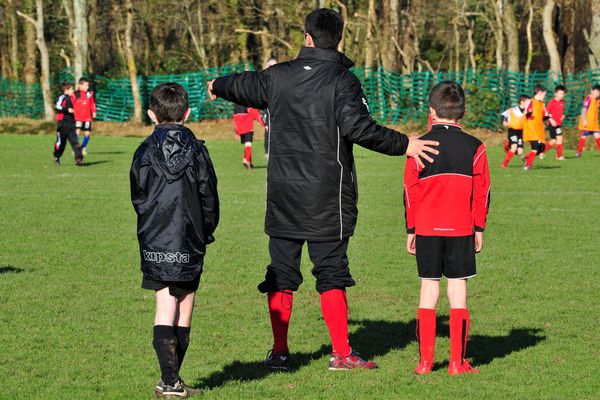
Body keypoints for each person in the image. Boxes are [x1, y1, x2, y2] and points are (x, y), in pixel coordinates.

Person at [207, 8, 438, 371]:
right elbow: (360, 128)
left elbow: (241, 84)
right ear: (339, 39)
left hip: (283, 196)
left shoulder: (276, 77)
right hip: (327, 197)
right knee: (330, 271)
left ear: (307, 37)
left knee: (281, 274)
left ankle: (280, 354)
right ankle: (342, 354)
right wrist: (404, 143)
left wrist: (216, 85)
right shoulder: (342, 81)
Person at [130, 83, 219, 398]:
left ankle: (170, 382)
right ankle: (171, 382)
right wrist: (205, 230)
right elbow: (209, 197)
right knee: (185, 305)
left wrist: (149, 226)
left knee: (164, 305)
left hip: (156, 239)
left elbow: (137, 196)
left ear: (152, 114)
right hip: (188, 238)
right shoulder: (198, 151)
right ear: (188, 114)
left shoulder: (143, 151)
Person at [404, 81, 490, 376]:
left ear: (432, 111)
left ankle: (425, 362)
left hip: (426, 228)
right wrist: (479, 227)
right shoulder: (475, 147)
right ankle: (457, 363)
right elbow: (483, 191)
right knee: (458, 290)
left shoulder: (418, 145)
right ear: (461, 113)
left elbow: (409, 190)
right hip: (461, 228)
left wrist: (411, 229)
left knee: (428, 288)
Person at [53, 82, 84, 166]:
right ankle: (56, 156)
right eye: (71, 89)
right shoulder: (62, 97)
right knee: (61, 143)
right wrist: (67, 109)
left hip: (72, 124)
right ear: (66, 91)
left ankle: (79, 159)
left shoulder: (73, 98)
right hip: (62, 124)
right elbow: (58, 106)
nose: (73, 91)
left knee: (75, 142)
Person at [233, 103, 266, 169]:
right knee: (248, 143)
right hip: (247, 122)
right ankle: (246, 159)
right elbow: (253, 111)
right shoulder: (248, 98)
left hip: (238, 123)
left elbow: (235, 115)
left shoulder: (236, 100)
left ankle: (249, 163)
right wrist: (264, 124)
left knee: (246, 143)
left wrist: (236, 131)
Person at [522, 85, 548, 170]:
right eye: (544, 94)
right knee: (536, 146)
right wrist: (529, 113)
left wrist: (548, 117)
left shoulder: (542, 104)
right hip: (531, 129)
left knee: (542, 147)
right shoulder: (531, 101)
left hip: (539, 129)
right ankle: (528, 165)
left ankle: (527, 157)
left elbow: (544, 115)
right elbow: (526, 112)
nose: (545, 96)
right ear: (540, 93)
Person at [500, 95, 529, 168]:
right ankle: (504, 164)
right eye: (527, 102)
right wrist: (504, 121)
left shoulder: (527, 111)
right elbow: (503, 115)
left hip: (521, 132)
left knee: (520, 152)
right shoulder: (513, 110)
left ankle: (527, 162)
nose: (529, 104)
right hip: (513, 131)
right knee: (514, 147)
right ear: (522, 102)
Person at [73, 77, 97, 155]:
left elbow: (92, 103)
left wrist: (93, 111)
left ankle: (83, 147)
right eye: (86, 85)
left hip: (87, 117)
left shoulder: (90, 93)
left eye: (88, 85)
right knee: (77, 131)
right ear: (80, 85)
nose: (87, 87)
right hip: (78, 117)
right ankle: (76, 148)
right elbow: (72, 103)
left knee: (87, 133)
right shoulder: (76, 94)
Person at [576, 85, 600, 157]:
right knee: (583, 137)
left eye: (598, 92)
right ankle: (579, 152)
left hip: (594, 123)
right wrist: (584, 120)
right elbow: (584, 110)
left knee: (598, 136)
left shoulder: (598, 100)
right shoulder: (588, 98)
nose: (597, 94)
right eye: (595, 92)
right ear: (592, 91)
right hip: (587, 123)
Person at [544, 85, 566, 160]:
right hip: (552, 124)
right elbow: (546, 113)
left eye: (563, 94)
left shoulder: (562, 102)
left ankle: (542, 151)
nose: (561, 96)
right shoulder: (552, 102)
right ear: (555, 94)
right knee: (559, 138)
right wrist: (551, 120)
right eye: (560, 94)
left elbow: (560, 111)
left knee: (554, 140)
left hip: (558, 124)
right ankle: (559, 156)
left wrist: (562, 116)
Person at [262, 58, 278, 158]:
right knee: (268, 130)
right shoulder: (263, 80)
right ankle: (268, 151)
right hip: (268, 112)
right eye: (270, 65)